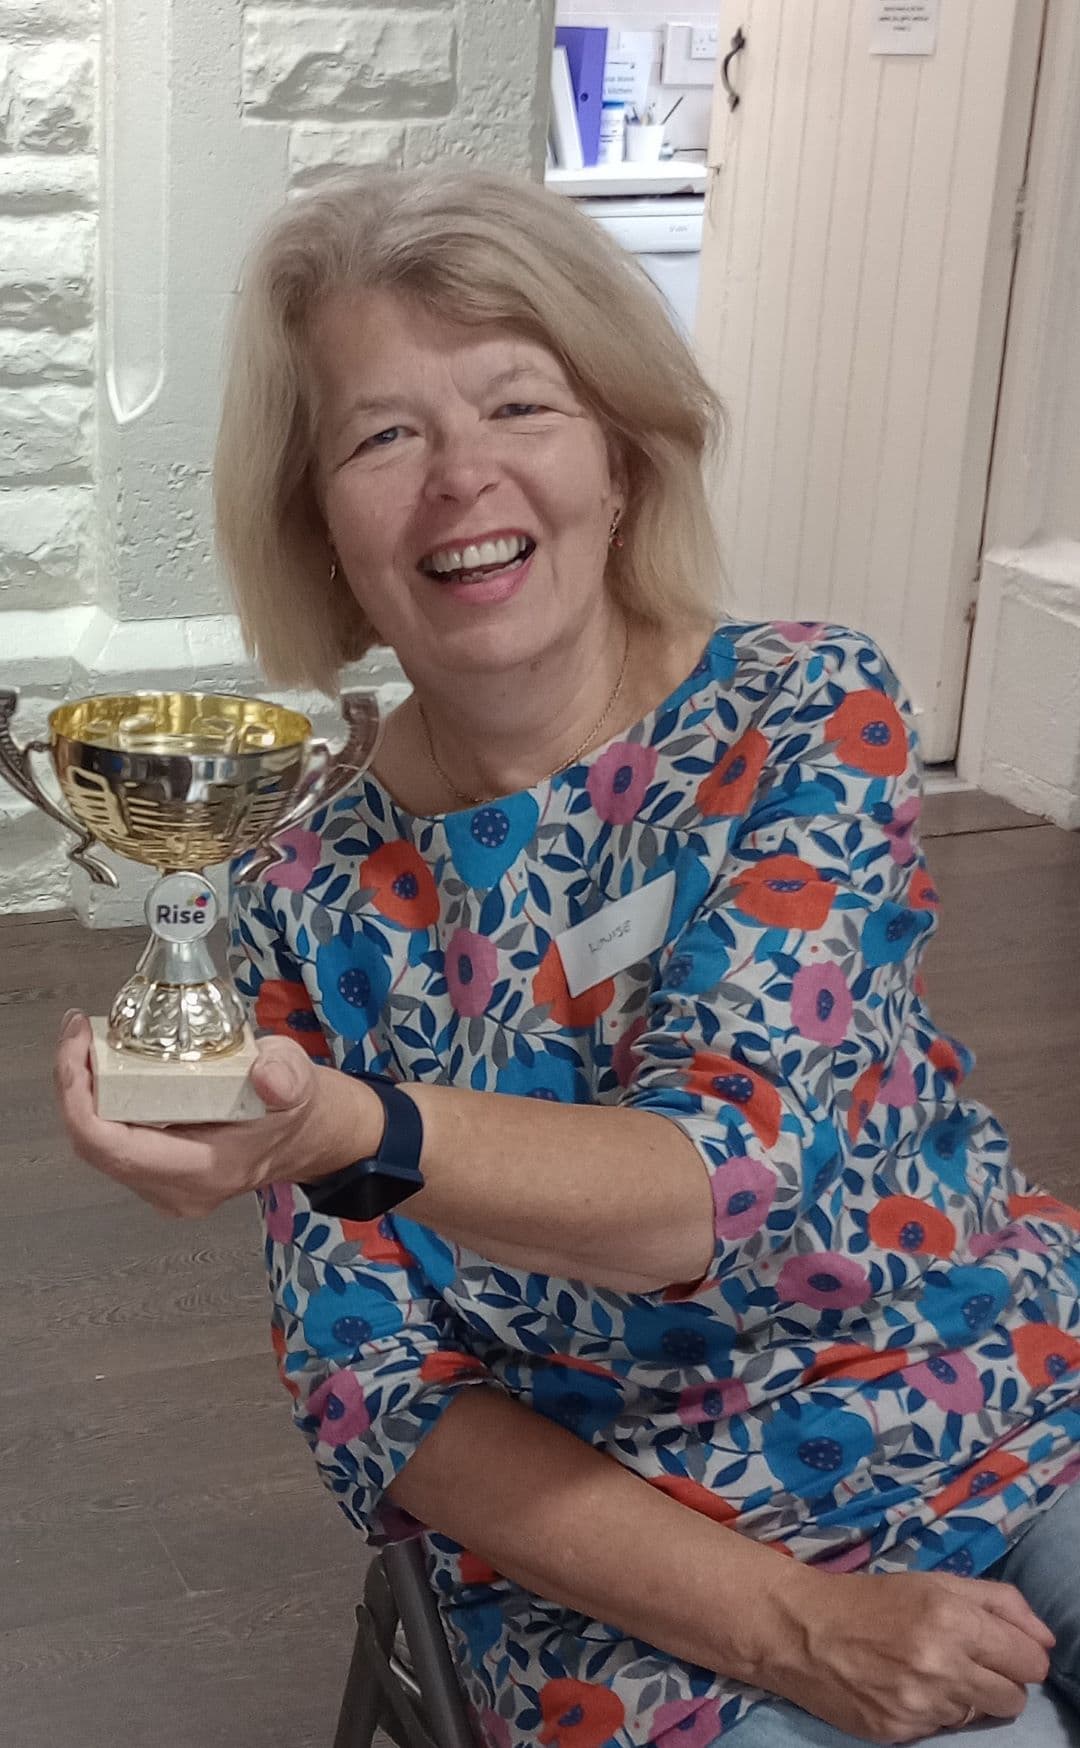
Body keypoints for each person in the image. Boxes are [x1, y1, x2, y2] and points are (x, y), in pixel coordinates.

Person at [55, 167, 1080, 1748]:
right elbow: (375, 1391)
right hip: (627, 1543)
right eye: (384, 435)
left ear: (620, 458)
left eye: (519, 404)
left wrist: (350, 1131)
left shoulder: (803, 714)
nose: (463, 479)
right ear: (318, 523)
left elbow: (713, 1191)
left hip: (981, 1381)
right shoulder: (291, 880)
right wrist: (799, 1626)